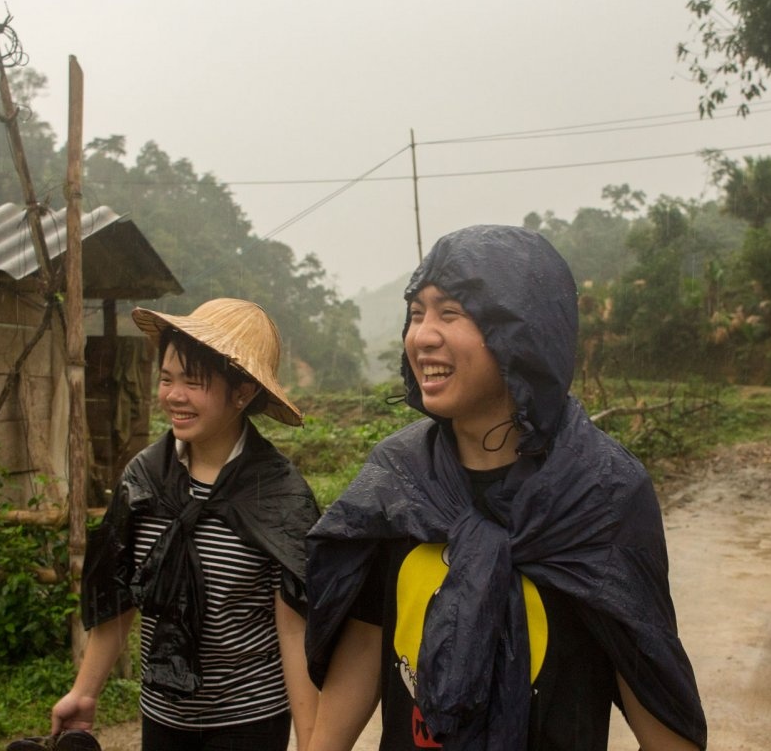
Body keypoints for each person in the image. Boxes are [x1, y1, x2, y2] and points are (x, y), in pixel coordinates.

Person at [303, 225, 707, 751]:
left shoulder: (601, 492)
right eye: (417, 313)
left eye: (451, 313)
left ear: (523, 333)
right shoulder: (400, 476)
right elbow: (366, 634)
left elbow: (644, 666)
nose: (423, 336)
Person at [51, 298, 321, 751]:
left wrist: (314, 741)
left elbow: (294, 631)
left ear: (243, 392)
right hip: (162, 716)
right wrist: (84, 691)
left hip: (249, 721)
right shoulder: (145, 478)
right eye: (166, 379)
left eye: (193, 383)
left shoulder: (279, 497)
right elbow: (122, 594)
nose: (174, 396)